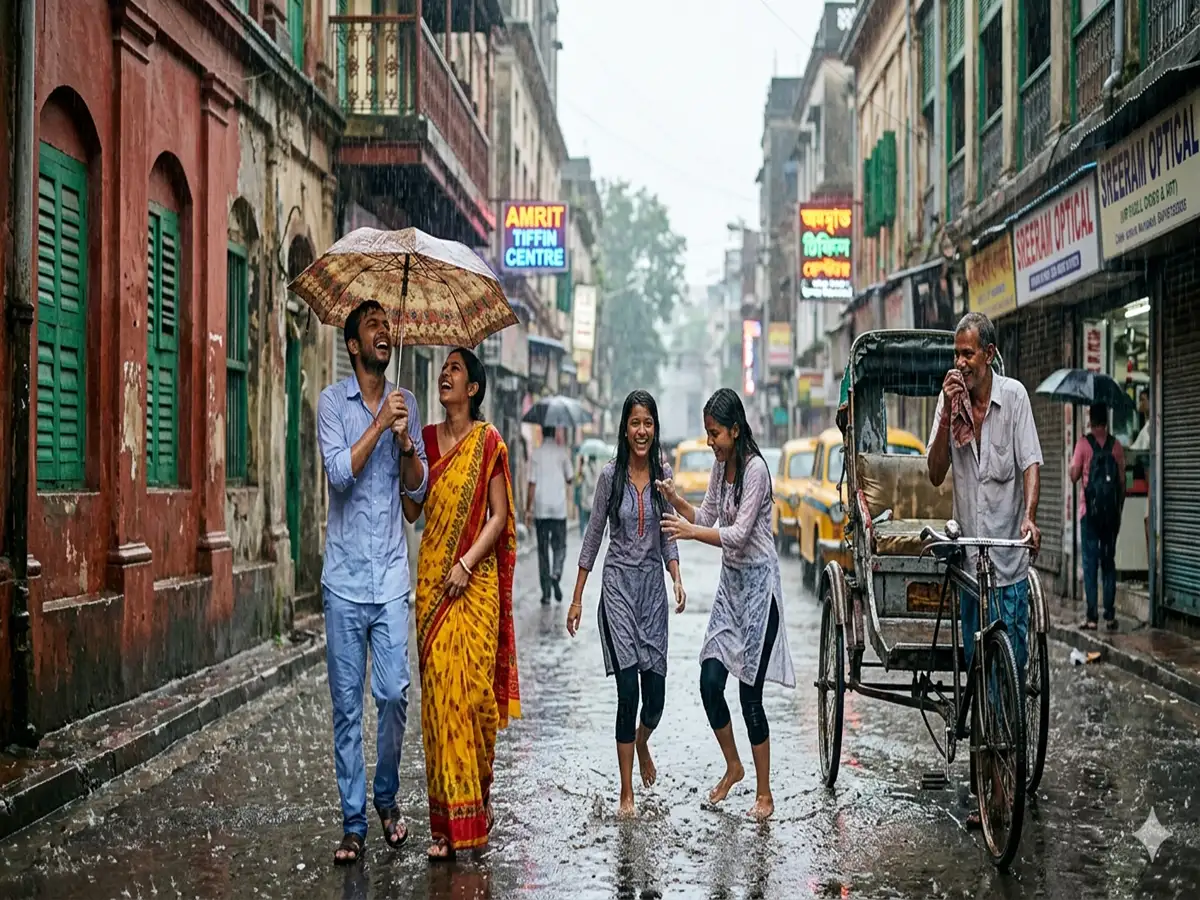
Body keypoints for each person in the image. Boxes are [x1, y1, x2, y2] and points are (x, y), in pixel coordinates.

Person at [316, 300, 428, 866]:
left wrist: (405, 443)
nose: (384, 332)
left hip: (389, 579)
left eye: (387, 324)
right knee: (346, 708)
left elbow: (415, 500)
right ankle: (355, 822)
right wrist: (379, 425)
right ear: (354, 345)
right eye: (373, 326)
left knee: (393, 693)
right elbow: (339, 474)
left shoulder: (406, 404)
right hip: (343, 579)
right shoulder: (332, 403)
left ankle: (386, 794)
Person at [927, 312, 1043, 828]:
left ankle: (1007, 778)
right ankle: (988, 789)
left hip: (1009, 561)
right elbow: (935, 473)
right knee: (981, 678)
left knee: (1010, 678)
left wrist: (1029, 516)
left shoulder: (1014, 398)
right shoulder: (949, 402)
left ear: (989, 355)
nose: (961, 363)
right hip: (971, 565)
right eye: (957, 354)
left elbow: (1030, 463)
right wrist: (944, 416)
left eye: (968, 354)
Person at [659, 388, 796, 821]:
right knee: (709, 681)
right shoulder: (721, 467)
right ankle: (733, 766)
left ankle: (764, 794)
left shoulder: (756, 471)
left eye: (715, 433)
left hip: (759, 593)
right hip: (730, 592)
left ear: (735, 430)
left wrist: (690, 532)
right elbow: (707, 517)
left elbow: (736, 535)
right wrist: (676, 502)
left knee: (749, 695)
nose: (710, 442)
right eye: (707, 433)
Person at [413, 347, 521, 860]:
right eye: (444, 368)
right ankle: (444, 827)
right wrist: (404, 449)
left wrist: (468, 563)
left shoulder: (489, 441)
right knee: (440, 701)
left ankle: (477, 799)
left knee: (474, 698)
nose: (445, 373)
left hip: (474, 585)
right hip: (434, 584)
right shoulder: (425, 439)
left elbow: (498, 516)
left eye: (455, 369)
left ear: (473, 388)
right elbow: (412, 508)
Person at [567, 391, 687, 818]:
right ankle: (625, 793)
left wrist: (676, 575)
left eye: (648, 423)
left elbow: (668, 531)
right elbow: (593, 536)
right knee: (628, 692)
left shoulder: (663, 475)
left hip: (652, 593)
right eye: (635, 423)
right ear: (625, 428)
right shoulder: (609, 477)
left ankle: (642, 740)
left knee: (655, 699)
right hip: (617, 588)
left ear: (655, 429)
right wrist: (577, 598)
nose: (641, 431)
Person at [1069, 402, 1125, 631]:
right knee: (1108, 562)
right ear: (1107, 420)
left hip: (1088, 513)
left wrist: (1078, 459)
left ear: (1091, 420)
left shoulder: (1084, 444)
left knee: (1090, 563)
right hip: (1110, 515)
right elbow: (1122, 481)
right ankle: (1110, 615)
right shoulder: (1116, 445)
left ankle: (1092, 617)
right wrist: (1118, 510)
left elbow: (1073, 475)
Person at [526, 424, 574, 604]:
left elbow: (531, 483)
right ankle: (556, 573)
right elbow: (570, 478)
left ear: (542, 432)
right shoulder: (562, 453)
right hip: (559, 509)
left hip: (541, 509)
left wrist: (528, 508)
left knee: (543, 551)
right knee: (560, 546)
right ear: (554, 432)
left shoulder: (536, 454)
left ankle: (546, 593)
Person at [577, 454, 600, 537]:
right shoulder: (593, 468)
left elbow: (589, 483)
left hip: (587, 495)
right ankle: (587, 532)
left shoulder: (587, 468)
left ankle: (583, 532)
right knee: (589, 516)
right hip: (590, 496)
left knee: (584, 515)